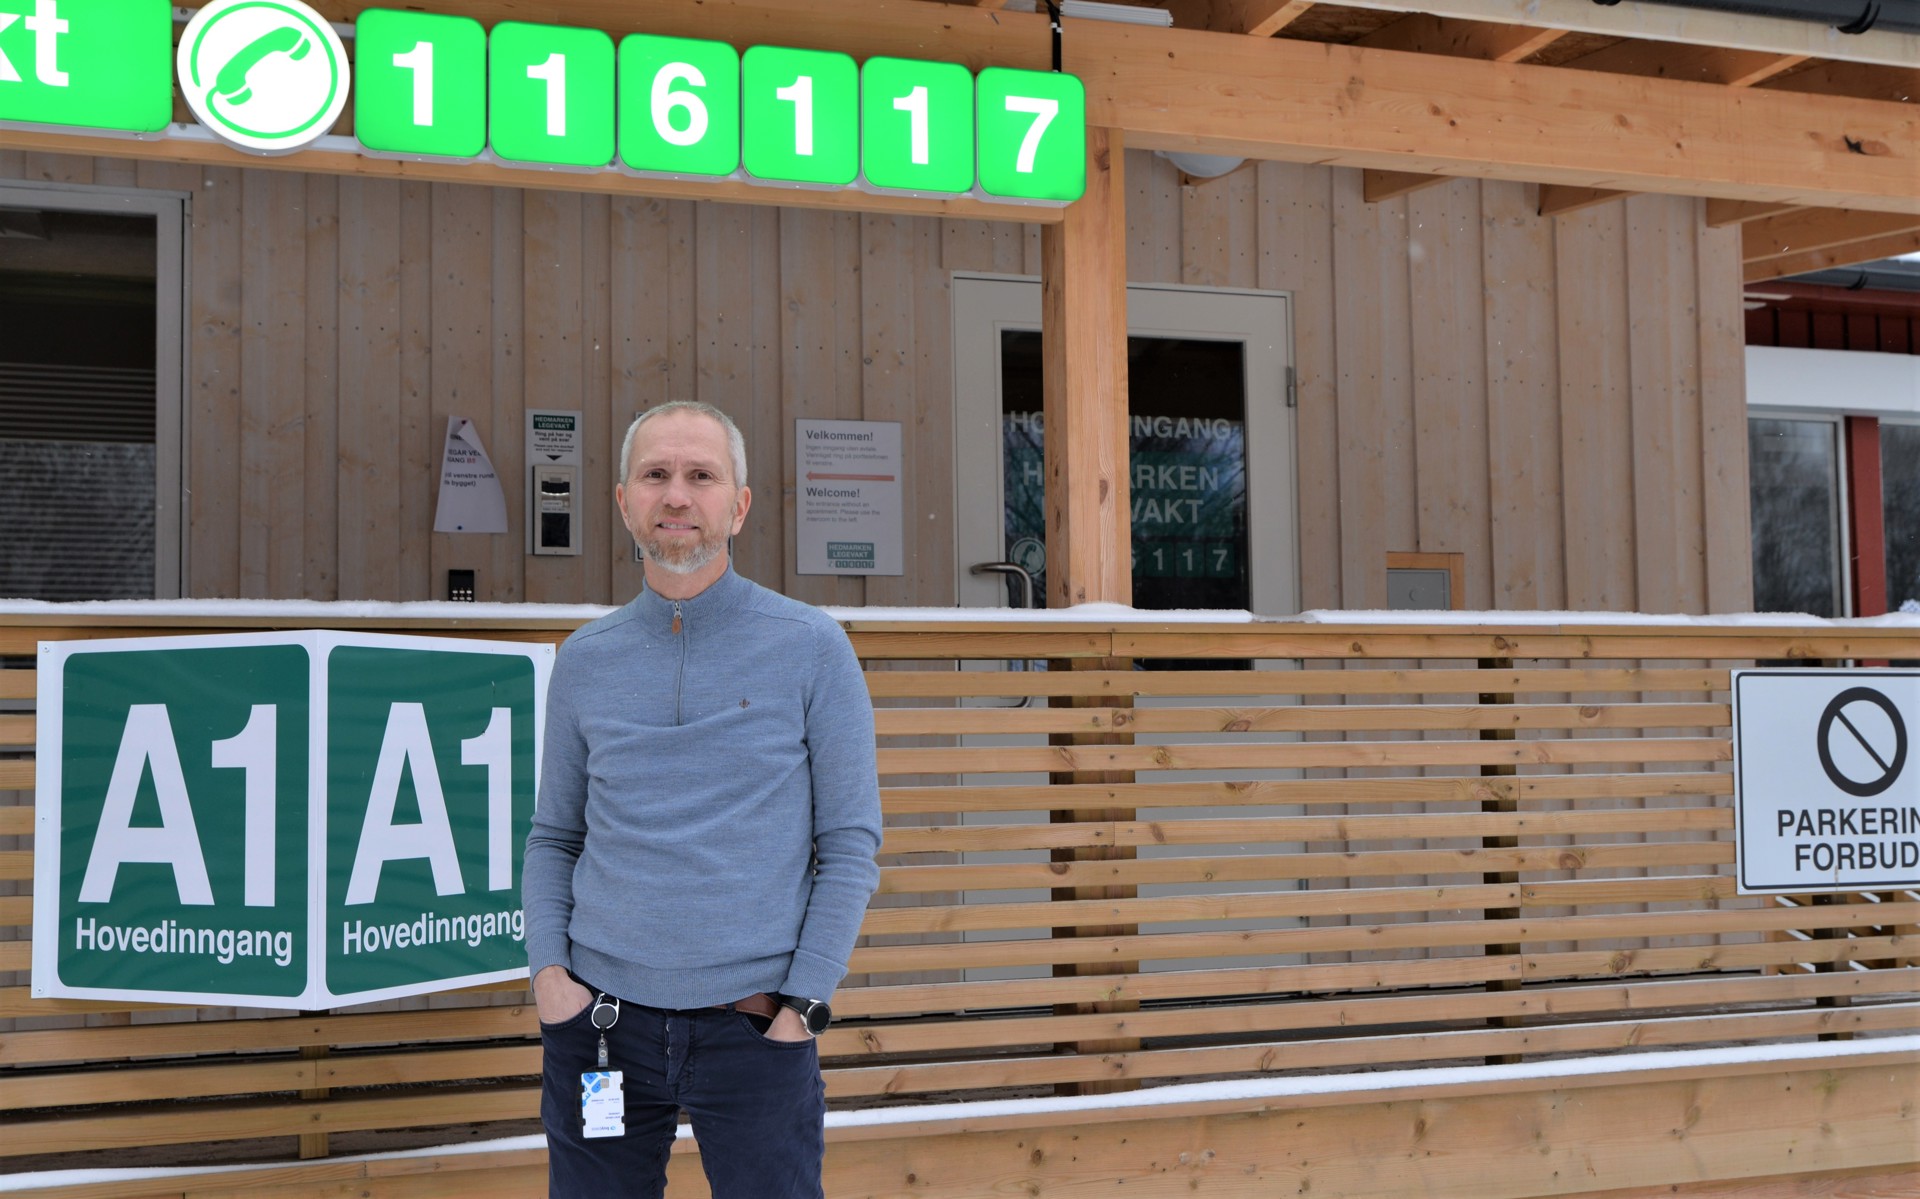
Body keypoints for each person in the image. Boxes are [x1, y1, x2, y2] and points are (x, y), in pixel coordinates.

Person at [522, 400, 882, 1198]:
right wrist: (552, 977)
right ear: (624, 502)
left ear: (739, 504)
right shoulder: (587, 659)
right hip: (601, 1029)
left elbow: (851, 844)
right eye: (655, 475)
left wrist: (805, 1008)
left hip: (756, 1029)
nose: (676, 495)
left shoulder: (812, 647)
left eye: (700, 475)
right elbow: (554, 835)